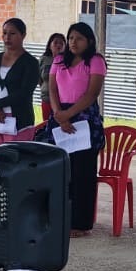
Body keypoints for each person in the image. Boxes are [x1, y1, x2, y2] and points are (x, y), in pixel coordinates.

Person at [38, 22, 106, 237]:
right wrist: (59, 113)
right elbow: (52, 89)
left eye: (79, 38)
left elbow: (91, 94)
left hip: (84, 117)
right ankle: (58, 218)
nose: (73, 42)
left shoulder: (95, 61)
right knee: (59, 170)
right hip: (59, 117)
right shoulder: (59, 60)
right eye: (71, 38)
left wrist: (69, 114)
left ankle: (81, 224)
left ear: (89, 41)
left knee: (82, 172)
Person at [0, 17, 41, 143]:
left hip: (19, 121)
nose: (7, 37)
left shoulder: (31, 62)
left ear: (23, 35)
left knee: (15, 153)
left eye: (12, 34)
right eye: (4, 33)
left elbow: (25, 92)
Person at [39, 32, 66, 124]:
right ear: (50, 45)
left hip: (63, 101)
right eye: (55, 43)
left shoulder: (68, 60)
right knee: (47, 125)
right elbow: (40, 79)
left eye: (61, 43)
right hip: (47, 99)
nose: (58, 45)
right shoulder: (44, 59)